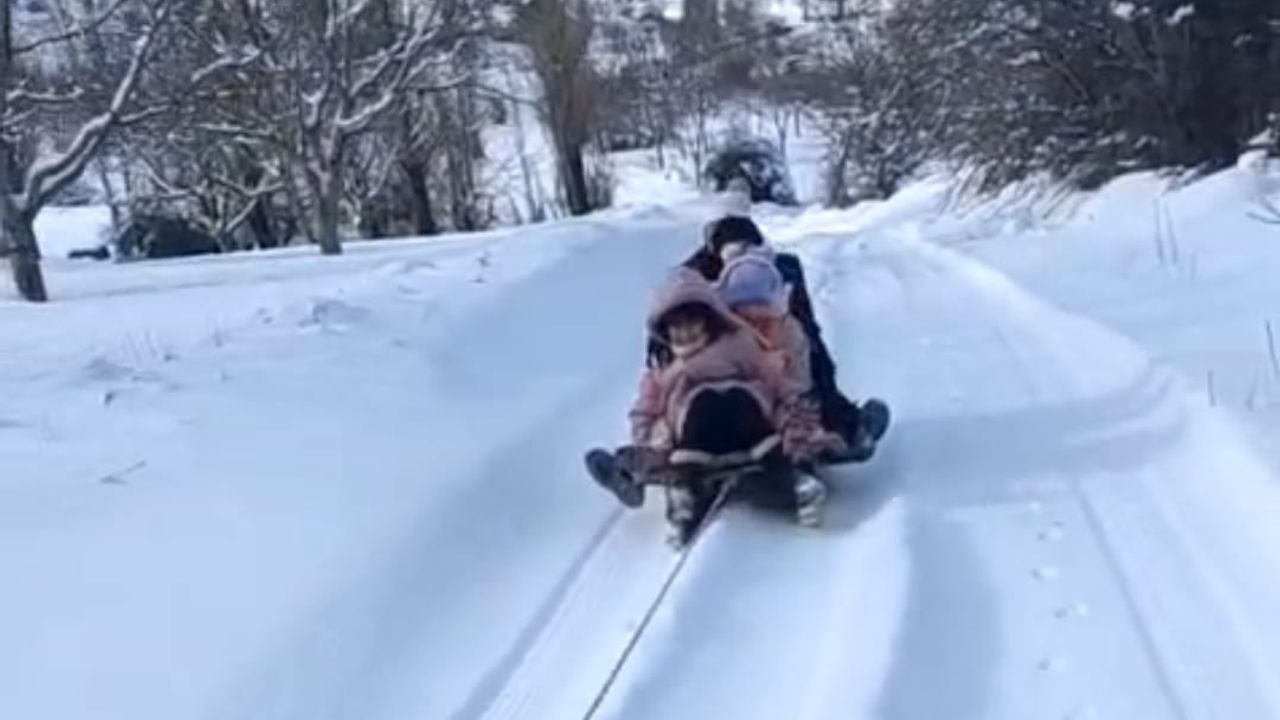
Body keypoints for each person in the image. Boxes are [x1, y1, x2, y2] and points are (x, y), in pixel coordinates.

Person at [588, 269, 827, 546]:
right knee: (700, 406)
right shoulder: (664, 367)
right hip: (695, 434)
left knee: (736, 400)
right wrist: (645, 441)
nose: (685, 332)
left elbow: (771, 376)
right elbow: (647, 408)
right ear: (664, 331)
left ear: (709, 320)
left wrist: (797, 406)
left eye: (692, 322)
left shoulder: (737, 344)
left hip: (747, 422)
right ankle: (682, 496)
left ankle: (793, 483)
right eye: (676, 326)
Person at [656, 213, 883, 461]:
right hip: (733, 387)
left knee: (790, 368)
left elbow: (807, 341)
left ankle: (815, 432)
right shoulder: (699, 280)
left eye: (744, 247)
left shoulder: (774, 273)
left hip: (763, 378)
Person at [714, 246, 849, 467]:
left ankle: (799, 455)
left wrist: (799, 423)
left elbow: (797, 384)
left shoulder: (789, 334)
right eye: (744, 315)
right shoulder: (725, 337)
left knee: (794, 413)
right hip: (736, 409)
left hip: (782, 405)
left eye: (762, 315)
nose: (754, 322)